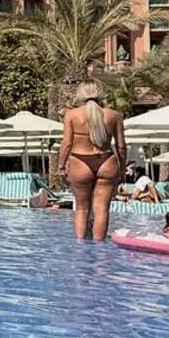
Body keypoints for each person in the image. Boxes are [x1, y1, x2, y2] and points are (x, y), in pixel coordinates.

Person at [55, 82, 127, 242]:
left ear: (80, 95)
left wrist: (60, 167)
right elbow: (121, 146)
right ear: (101, 95)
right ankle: (100, 248)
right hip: (107, 161)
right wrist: (122, 168)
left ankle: (80, 246)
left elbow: (66, 144)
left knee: (81, 209)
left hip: (80, 161)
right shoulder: (114, 115)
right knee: (102, 209)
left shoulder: (72, 115)